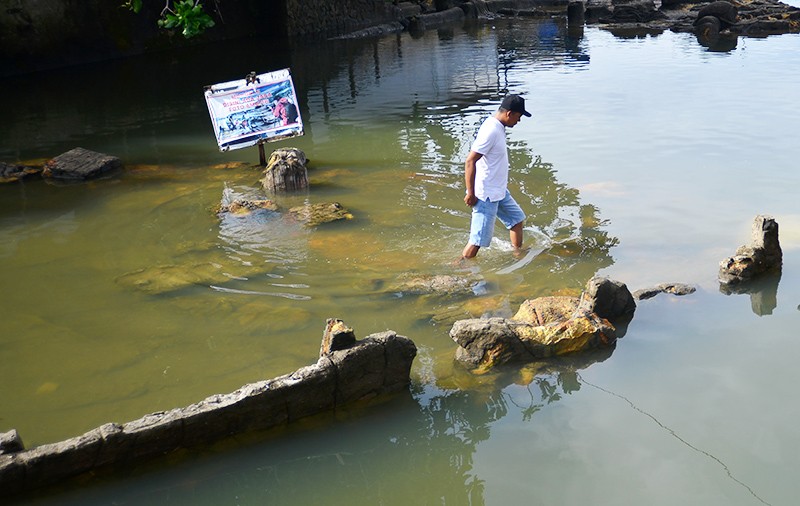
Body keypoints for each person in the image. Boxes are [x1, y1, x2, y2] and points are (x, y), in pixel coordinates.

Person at [460, 94, 531, 260]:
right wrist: (471, 193)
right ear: (509, 113)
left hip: (499, 190)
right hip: (486, 194)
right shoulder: (491, 130)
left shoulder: (498, 126)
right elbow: (470, 161)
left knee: (516, 220)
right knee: (478, 240)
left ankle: (517, 255)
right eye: (518, 116)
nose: (519, 121)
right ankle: (460, 266)